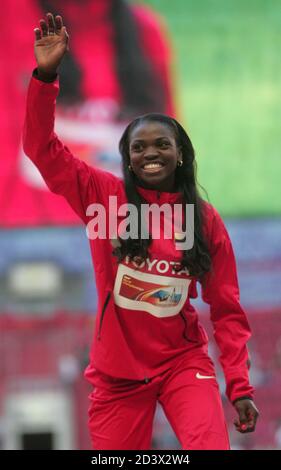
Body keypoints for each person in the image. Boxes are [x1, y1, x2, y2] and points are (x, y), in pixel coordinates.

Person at [23, 13, 259, 450]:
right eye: (139, 147)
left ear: (181, 155)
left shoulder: (204, 220)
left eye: (162, 145)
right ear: (127, 159)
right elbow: (41, 149)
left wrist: (239, 386)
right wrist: (46, 76)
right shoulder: (100, 196)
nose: (150, 153)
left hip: (183, 364)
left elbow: (227, 309)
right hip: (117, 375)